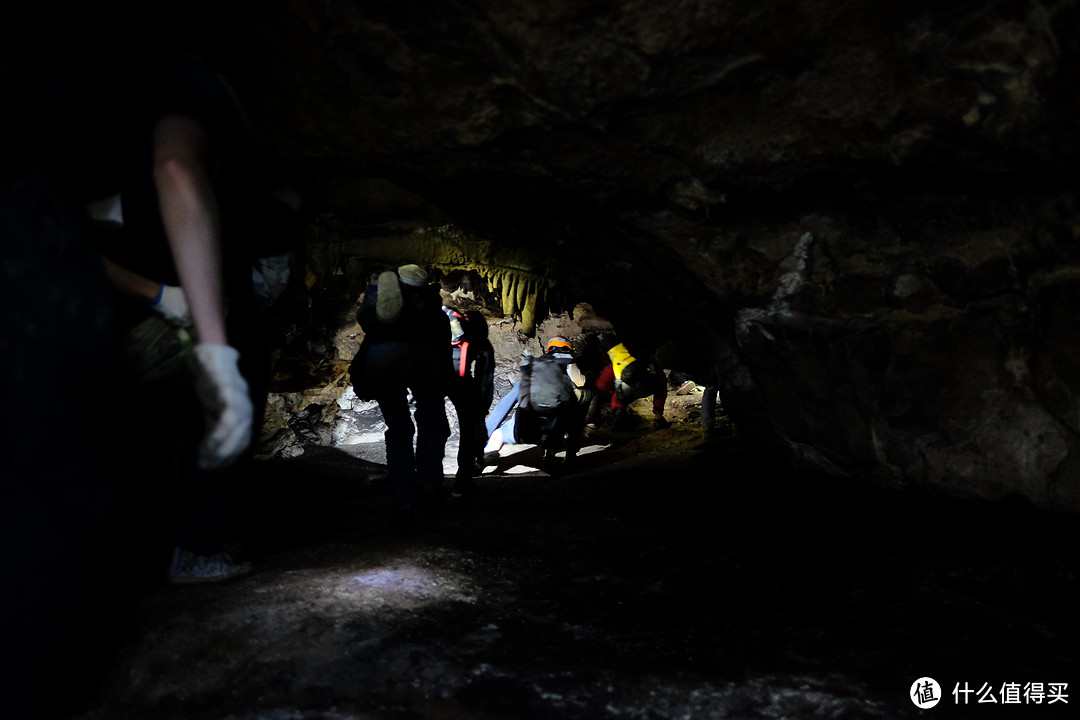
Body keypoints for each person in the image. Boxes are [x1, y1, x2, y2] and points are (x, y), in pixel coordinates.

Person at [83, 47, 273, 584]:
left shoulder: (70, 102)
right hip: (174, 285)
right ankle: (193, 544)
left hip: (98, 294)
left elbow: (49, 229)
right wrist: (213, 345)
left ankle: (150, 546)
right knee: (207, 407)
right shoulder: (181, 88)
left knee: (130, 418)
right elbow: (176, 167)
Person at [352, 264, 452, 525]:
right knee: (431, 421)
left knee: (398, 430)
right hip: (426, 362)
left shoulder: (384, 303)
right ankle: (429, 484)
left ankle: (404, 500)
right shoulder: (431, 304)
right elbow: (443, 340)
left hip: (383, 361)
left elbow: (366, 326)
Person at [484, 336, 585, 473]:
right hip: (553, 429)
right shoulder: (567, 364)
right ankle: (562, 458)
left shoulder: (534, 368)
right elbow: (580, 385)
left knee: (499, 434)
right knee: (571, 415)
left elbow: (506, 403)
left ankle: (483, 459)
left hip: (525, 424)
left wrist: (484, 435)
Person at [444, 307, 495, 497]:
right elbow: (484, 380)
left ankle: (427, 481)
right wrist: (480, 413)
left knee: (430, 427)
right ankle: (462, 483)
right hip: (461, 381)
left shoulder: (446, 332)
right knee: (468, 430)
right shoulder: (482, 342)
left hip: (434, 377)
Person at [591, 334, 670, 431]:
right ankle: (658, 418)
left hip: (625, 388)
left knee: (618, 385)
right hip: (644, 384)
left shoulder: (614, 359)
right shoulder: (633, 350)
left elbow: (604, 381)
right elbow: (656, 371)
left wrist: (605, 395)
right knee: (660, 380)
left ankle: (618, 419)